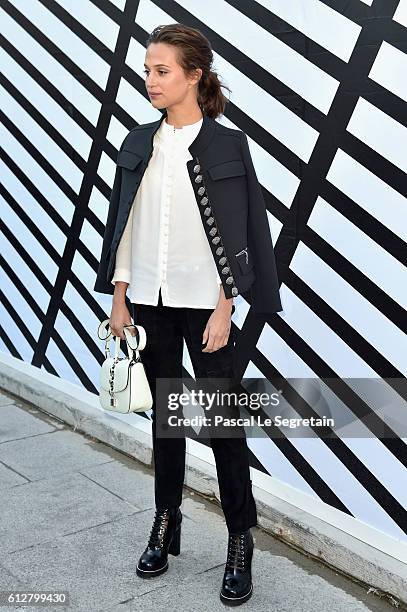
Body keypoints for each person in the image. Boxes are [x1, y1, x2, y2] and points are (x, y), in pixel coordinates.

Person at [95, 23, 282, 606]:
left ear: (194, 76)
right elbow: (124, 222)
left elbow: (246, 226)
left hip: (207, 307)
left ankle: (239, 541)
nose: (149, 80)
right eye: (148, 70)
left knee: (224, 426)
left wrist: (229, 302)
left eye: (161, 71)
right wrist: (120, 296)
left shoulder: (229, 145)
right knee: (166, 422)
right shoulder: (137, 143)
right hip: (149, 303)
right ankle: (166, 522)